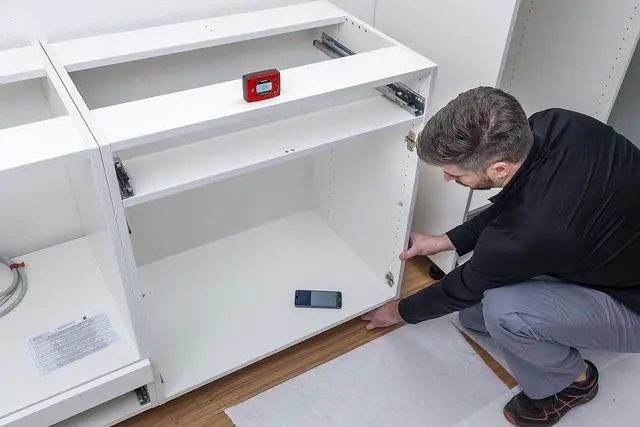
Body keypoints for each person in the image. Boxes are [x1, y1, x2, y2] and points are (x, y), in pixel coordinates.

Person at [361, 86, 640, 426]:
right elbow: (515, 204)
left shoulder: (529, 233)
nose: (447, 178)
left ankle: (572, 383)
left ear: (499, 170)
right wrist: (444, 241)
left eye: (455, 174)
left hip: (633, 304)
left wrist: (398, 312)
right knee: (475, 317)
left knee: (504, 312)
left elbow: (459, 288)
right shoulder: (558, 124)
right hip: (614, 245)